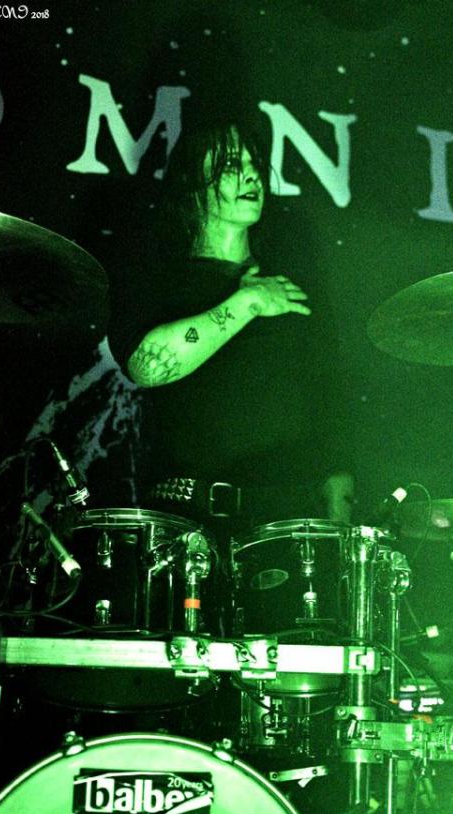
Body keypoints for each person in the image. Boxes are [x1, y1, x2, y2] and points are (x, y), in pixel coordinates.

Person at [107, 118, 354, 525]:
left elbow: (328, 391)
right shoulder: (159, 276)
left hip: (287, 519)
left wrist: (340, 494)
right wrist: (247, 303)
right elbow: (146, 367)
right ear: (192, 182)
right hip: (189, 518)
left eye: (255, 164)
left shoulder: (288, 283)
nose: (252, 175)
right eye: (231, 166)